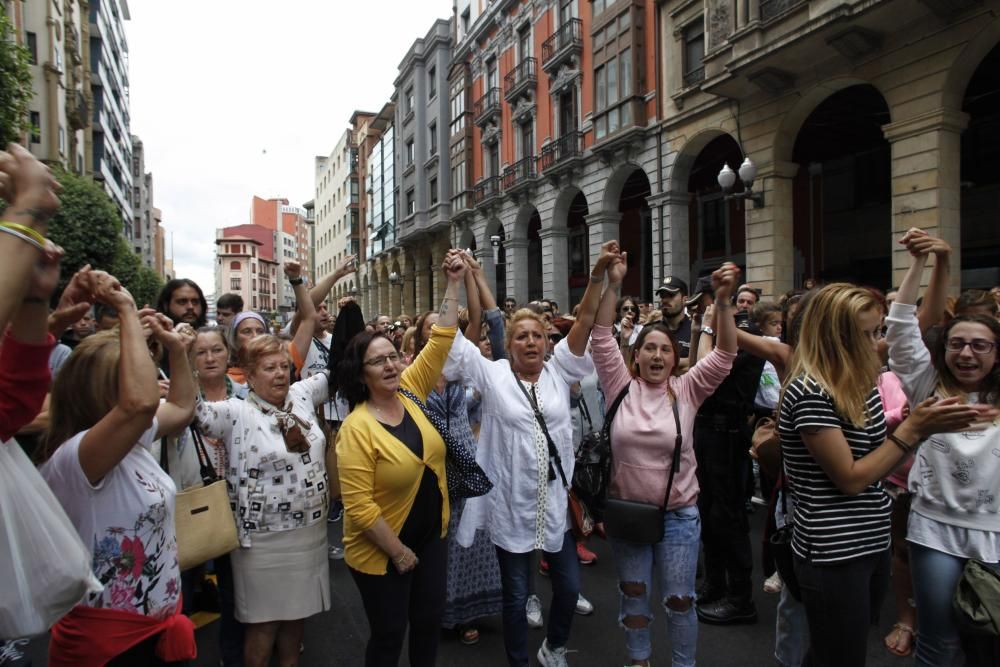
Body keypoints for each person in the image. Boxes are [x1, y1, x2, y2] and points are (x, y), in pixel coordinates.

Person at [778, 282, 982, 667]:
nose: (879, 343)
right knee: (840, 655)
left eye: (879, 332)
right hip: (833, 551)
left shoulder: (858, 379)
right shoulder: (810, 390)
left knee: (836, 651)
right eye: (869, 334)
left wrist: (900, 427)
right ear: (838, 338)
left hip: (870, 539)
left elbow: (917, 325)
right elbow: (851, 478)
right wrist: (912, 430)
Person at [444, 243, 613, 667]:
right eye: (521, 336)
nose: (531, 341)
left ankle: (554, 646)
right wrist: (455, 282)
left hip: (554, 504)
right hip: (511, 507)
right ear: (509, 344)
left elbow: (588, 320)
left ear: (546, 341)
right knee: (517, 596)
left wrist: (598, 277)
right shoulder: (493, 373)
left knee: (570, 588)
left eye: (538, 334)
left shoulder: (559, 370)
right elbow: (447, 341)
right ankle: (519, 660)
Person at [589, 249, 738, 667]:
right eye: (648, 349)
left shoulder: (687, 389)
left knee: (679, 600)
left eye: (665, 350)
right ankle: (639, 660)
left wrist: (722, 303)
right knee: (634, 594)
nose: (656, 356)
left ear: (675, 359)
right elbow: (601, 338)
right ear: (636, 357)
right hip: (629, 514)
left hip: (678, 516)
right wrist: (612, 283)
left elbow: (724, 356)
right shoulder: (619, 385)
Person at [40, 277, 198, 665]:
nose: (146, 379)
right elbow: (142, 404)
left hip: (157, 625)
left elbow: (179, 408)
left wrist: (176, 350)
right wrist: (126, 311)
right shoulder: (75, 457)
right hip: (109, 642)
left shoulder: (132, 440)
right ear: (103, 391)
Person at [335, 251, 466, 667]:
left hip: (431, 539)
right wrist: (398, 552)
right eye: (378, 361)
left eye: (393, 355)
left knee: (428, 625)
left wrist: (453, 282)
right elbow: (358, 507)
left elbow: (442, 337)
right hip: (382, 551)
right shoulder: (356, 428)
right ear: (361, 374)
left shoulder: (410, 390)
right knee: (390, 636)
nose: (391, 364)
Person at [886, 228, 1000, 666]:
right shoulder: (925, 386)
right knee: (939, 642)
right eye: (957, 343)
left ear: (996, 353)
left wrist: (946, 259)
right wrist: (923, 263)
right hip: (935, 530)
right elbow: (899, 327)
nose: (967, 353)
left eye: (980, 346)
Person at [194, 329, 333, 667]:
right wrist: (181, 356)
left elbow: (341, 367)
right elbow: (195, 413)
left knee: (295, 623)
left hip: (309, 535)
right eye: (269, 368)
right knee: (263, 628)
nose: (280, 374)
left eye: (284, 366)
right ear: (250, 377)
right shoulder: (235, 413)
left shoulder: (301, 396)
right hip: (261, 542)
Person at [190, 326, 247, 666]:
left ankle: (233, 655)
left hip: (237, 508)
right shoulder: (181, 400)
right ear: (190, 360)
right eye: (201, 352)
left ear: (228, 354)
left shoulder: (246, 396)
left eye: (216, 350)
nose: (210, 358)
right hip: (193, 508)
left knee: (234, 589)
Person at [656, 276, 693, 371]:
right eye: (662, 296)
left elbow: (700, 363)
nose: (665, 300)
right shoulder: (652, 330)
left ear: (684, 299)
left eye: (671, 295)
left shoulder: (694, 330)